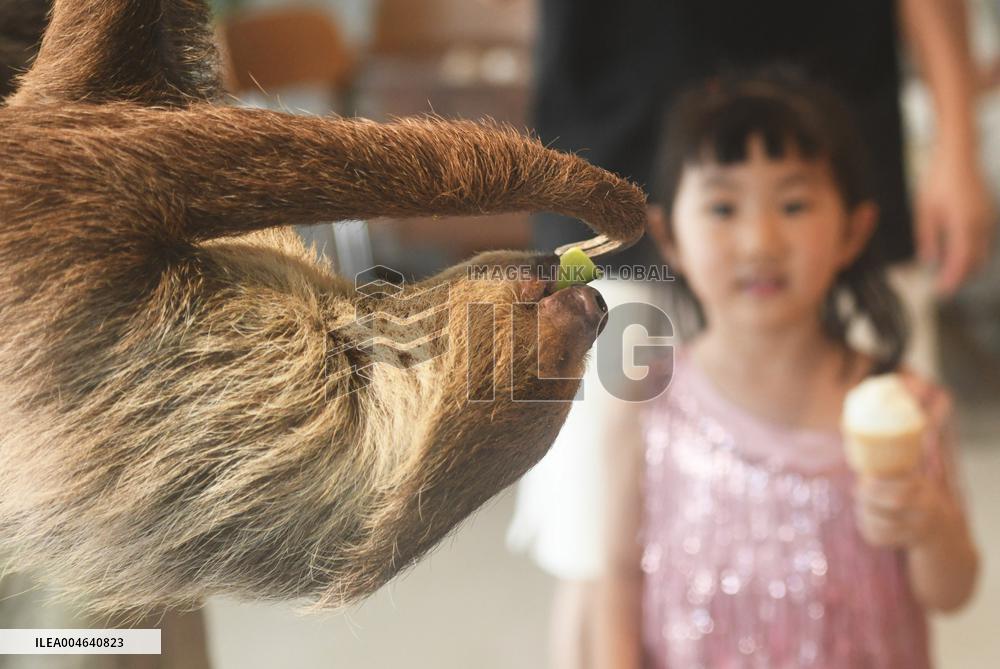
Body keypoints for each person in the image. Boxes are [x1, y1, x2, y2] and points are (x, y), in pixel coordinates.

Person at [583, 71, 980, 668]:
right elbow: (617, 578)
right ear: (669, 236)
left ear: (853, 230)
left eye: (794, 205)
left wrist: (929, 527)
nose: (759, 242)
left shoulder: (906, 409)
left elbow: (951, 593)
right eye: (722, 207)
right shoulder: (647, 405)